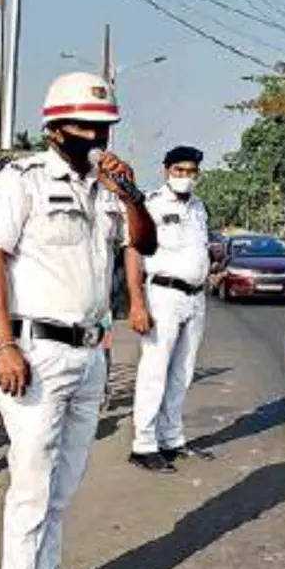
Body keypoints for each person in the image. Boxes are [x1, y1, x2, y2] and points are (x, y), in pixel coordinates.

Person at [0, 72, 157, 569]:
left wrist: (129, 193)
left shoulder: (107, 190)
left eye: (104, 126)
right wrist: (3, 343)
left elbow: (144, 243)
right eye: (85, 126)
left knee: (64, 483)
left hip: (89, 352)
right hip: (35, 352)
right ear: (55, 128)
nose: (97, 135)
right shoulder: (22, 180)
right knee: (31, 486)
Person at [125, 146, 214, 473]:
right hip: (163, 294)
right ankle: (144, 444)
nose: (185, 177)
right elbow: (134, 252)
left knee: (183, 371)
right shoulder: (150, 205)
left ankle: (172, 438)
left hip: (195, 297)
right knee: (155, 370)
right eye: (179, 171)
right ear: (166, 171)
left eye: (191, 172)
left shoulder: (199, 209)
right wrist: (136, 302)